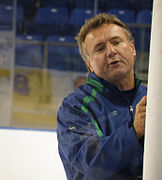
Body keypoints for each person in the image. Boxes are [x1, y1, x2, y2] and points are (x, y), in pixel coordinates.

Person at [57, 13, 147, 180]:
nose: (111, 51)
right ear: (89, 64)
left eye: (116, 42)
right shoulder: (75, 107)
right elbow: (91, 162)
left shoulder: (152, 97)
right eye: (100, 48)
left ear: (132, 48)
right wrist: (134, 132)